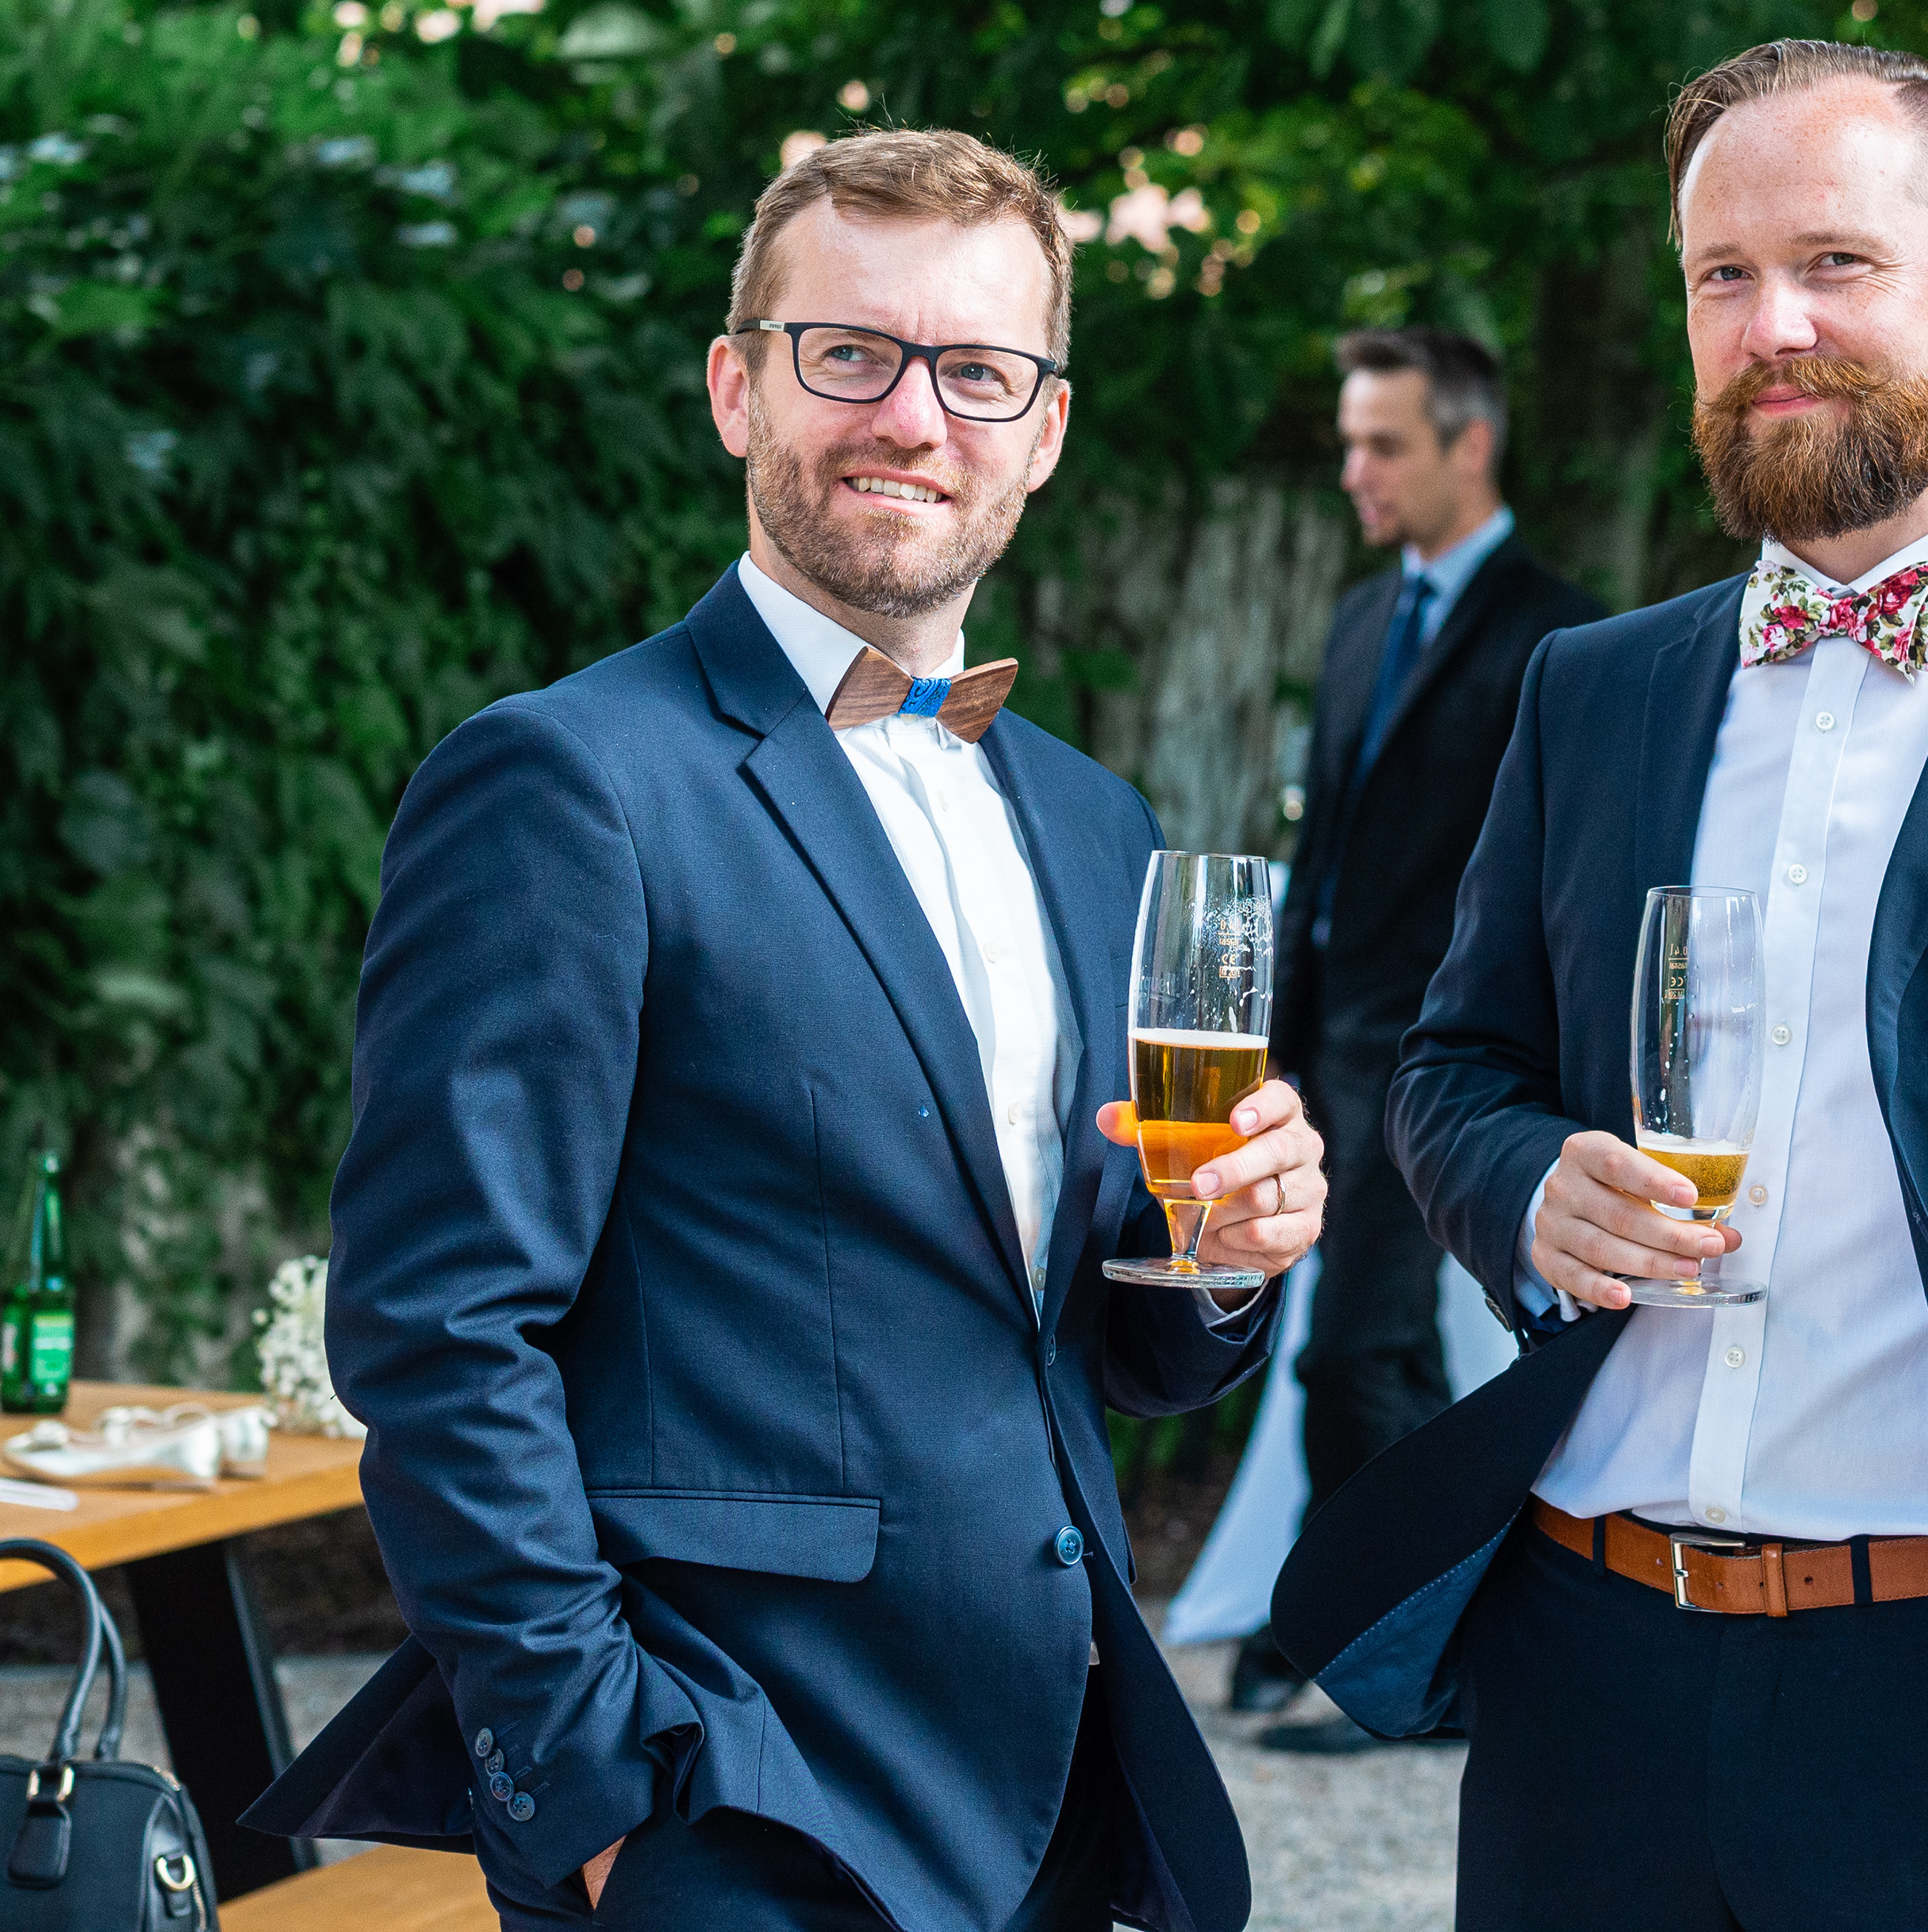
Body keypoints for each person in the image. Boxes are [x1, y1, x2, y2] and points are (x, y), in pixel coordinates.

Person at [1271, 39, 1928, 1932]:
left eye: (1836, 262)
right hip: (1582, 1664)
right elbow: (1449, 1070)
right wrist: (1525, 1183)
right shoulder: (1590, 691)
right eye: (1723, 276)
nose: (1773, 325)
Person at [242, 129, 1324, 1932]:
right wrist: (600, 1793)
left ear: (1045, 429)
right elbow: (438, 1332)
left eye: (977, 371)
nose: (913, 416)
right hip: (732, 1796)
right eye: (851, 354)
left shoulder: (1097, 823)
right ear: (739, 387)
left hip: (1052, 1792)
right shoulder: (567, 781)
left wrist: (1226, 1256)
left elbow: (1118, 1353)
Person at [1228, 328, 1602, 1744]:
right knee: (1387, 1358)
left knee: (1355, 1353)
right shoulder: (1357, 620)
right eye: (1349, 443)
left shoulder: (1559, 640)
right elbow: (1325, 851)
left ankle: (1377, 1651)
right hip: (1324, 1048)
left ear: (1471, 445)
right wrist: (1278, 1040)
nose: (1355, 471)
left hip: (1440, 1058)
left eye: (1383, 444)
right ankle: (1420, 1626)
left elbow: (1558, 883)